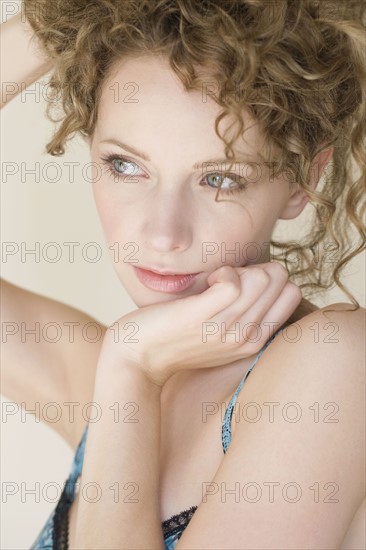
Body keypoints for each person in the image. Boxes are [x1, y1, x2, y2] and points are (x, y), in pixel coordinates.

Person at [1, 1, 365, 548]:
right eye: (125, 166)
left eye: (219, 179)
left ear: (300, 182)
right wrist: (64, 14)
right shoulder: (108, 383)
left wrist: (131, 368)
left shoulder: (338, 363)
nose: (162, 235)